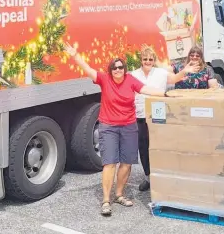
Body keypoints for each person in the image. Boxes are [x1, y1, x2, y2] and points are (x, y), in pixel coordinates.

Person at [64, 42, 171, 217]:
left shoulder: (130, 80)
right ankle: (106, 200)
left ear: (125, 69)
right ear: (110, 70)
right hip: (109, 127)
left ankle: (119, 194)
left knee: (127, 163)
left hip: (129, 125)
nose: (118, 70)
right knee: (110, 163)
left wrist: (165, 94)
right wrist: (75, 56)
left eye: (121, 67)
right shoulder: (104, 80)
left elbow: (146, 90)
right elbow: (88, 69)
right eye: (114, 68)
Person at [130, 45, 199, 192]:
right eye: (145, 59)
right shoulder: (134, 74)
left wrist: (184, 71)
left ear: (154, 60)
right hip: (140, 114)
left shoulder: (160, 72)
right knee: (144, 147)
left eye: (150, 59)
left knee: (160, 145)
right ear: (141, 60)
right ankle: (148, 177)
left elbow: (174, 79)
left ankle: (163, 176)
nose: (147, 61)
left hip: (158, 114)